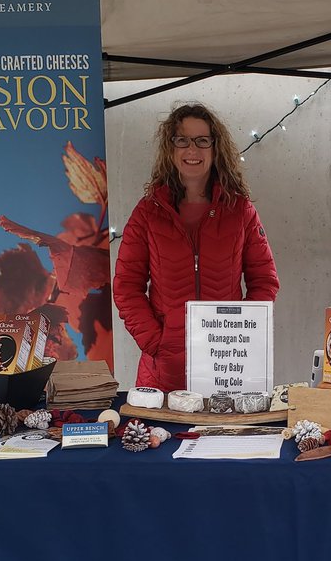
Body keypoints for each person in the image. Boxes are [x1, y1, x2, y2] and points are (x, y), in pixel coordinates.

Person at [113, 103, 280, 391]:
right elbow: (126, 286)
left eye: (202, 140)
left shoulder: (240, 210)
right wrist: (156, 341)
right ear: (171, 148)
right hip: (163, 371)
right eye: (182, 140)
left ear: (215, 149)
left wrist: (241, 333)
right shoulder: (148, 213)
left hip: (227, 367)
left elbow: (264, 281)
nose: (193, 150)